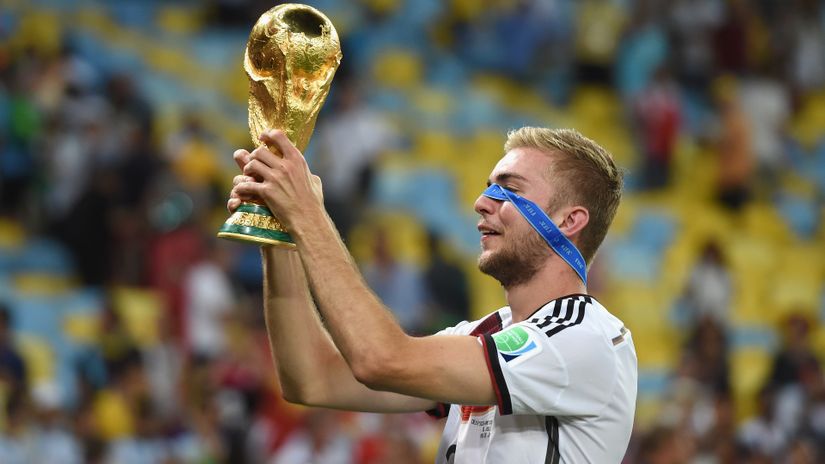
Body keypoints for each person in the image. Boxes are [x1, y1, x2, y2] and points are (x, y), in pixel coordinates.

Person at [227, 126, 637, 463]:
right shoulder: (484, 334)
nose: (481, 202)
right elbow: (314, 380)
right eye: (488, 188)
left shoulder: (585, 338)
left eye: (509, 189)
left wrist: (307, 215)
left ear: (569, 220)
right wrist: (280, 232)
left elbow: (382, 359)